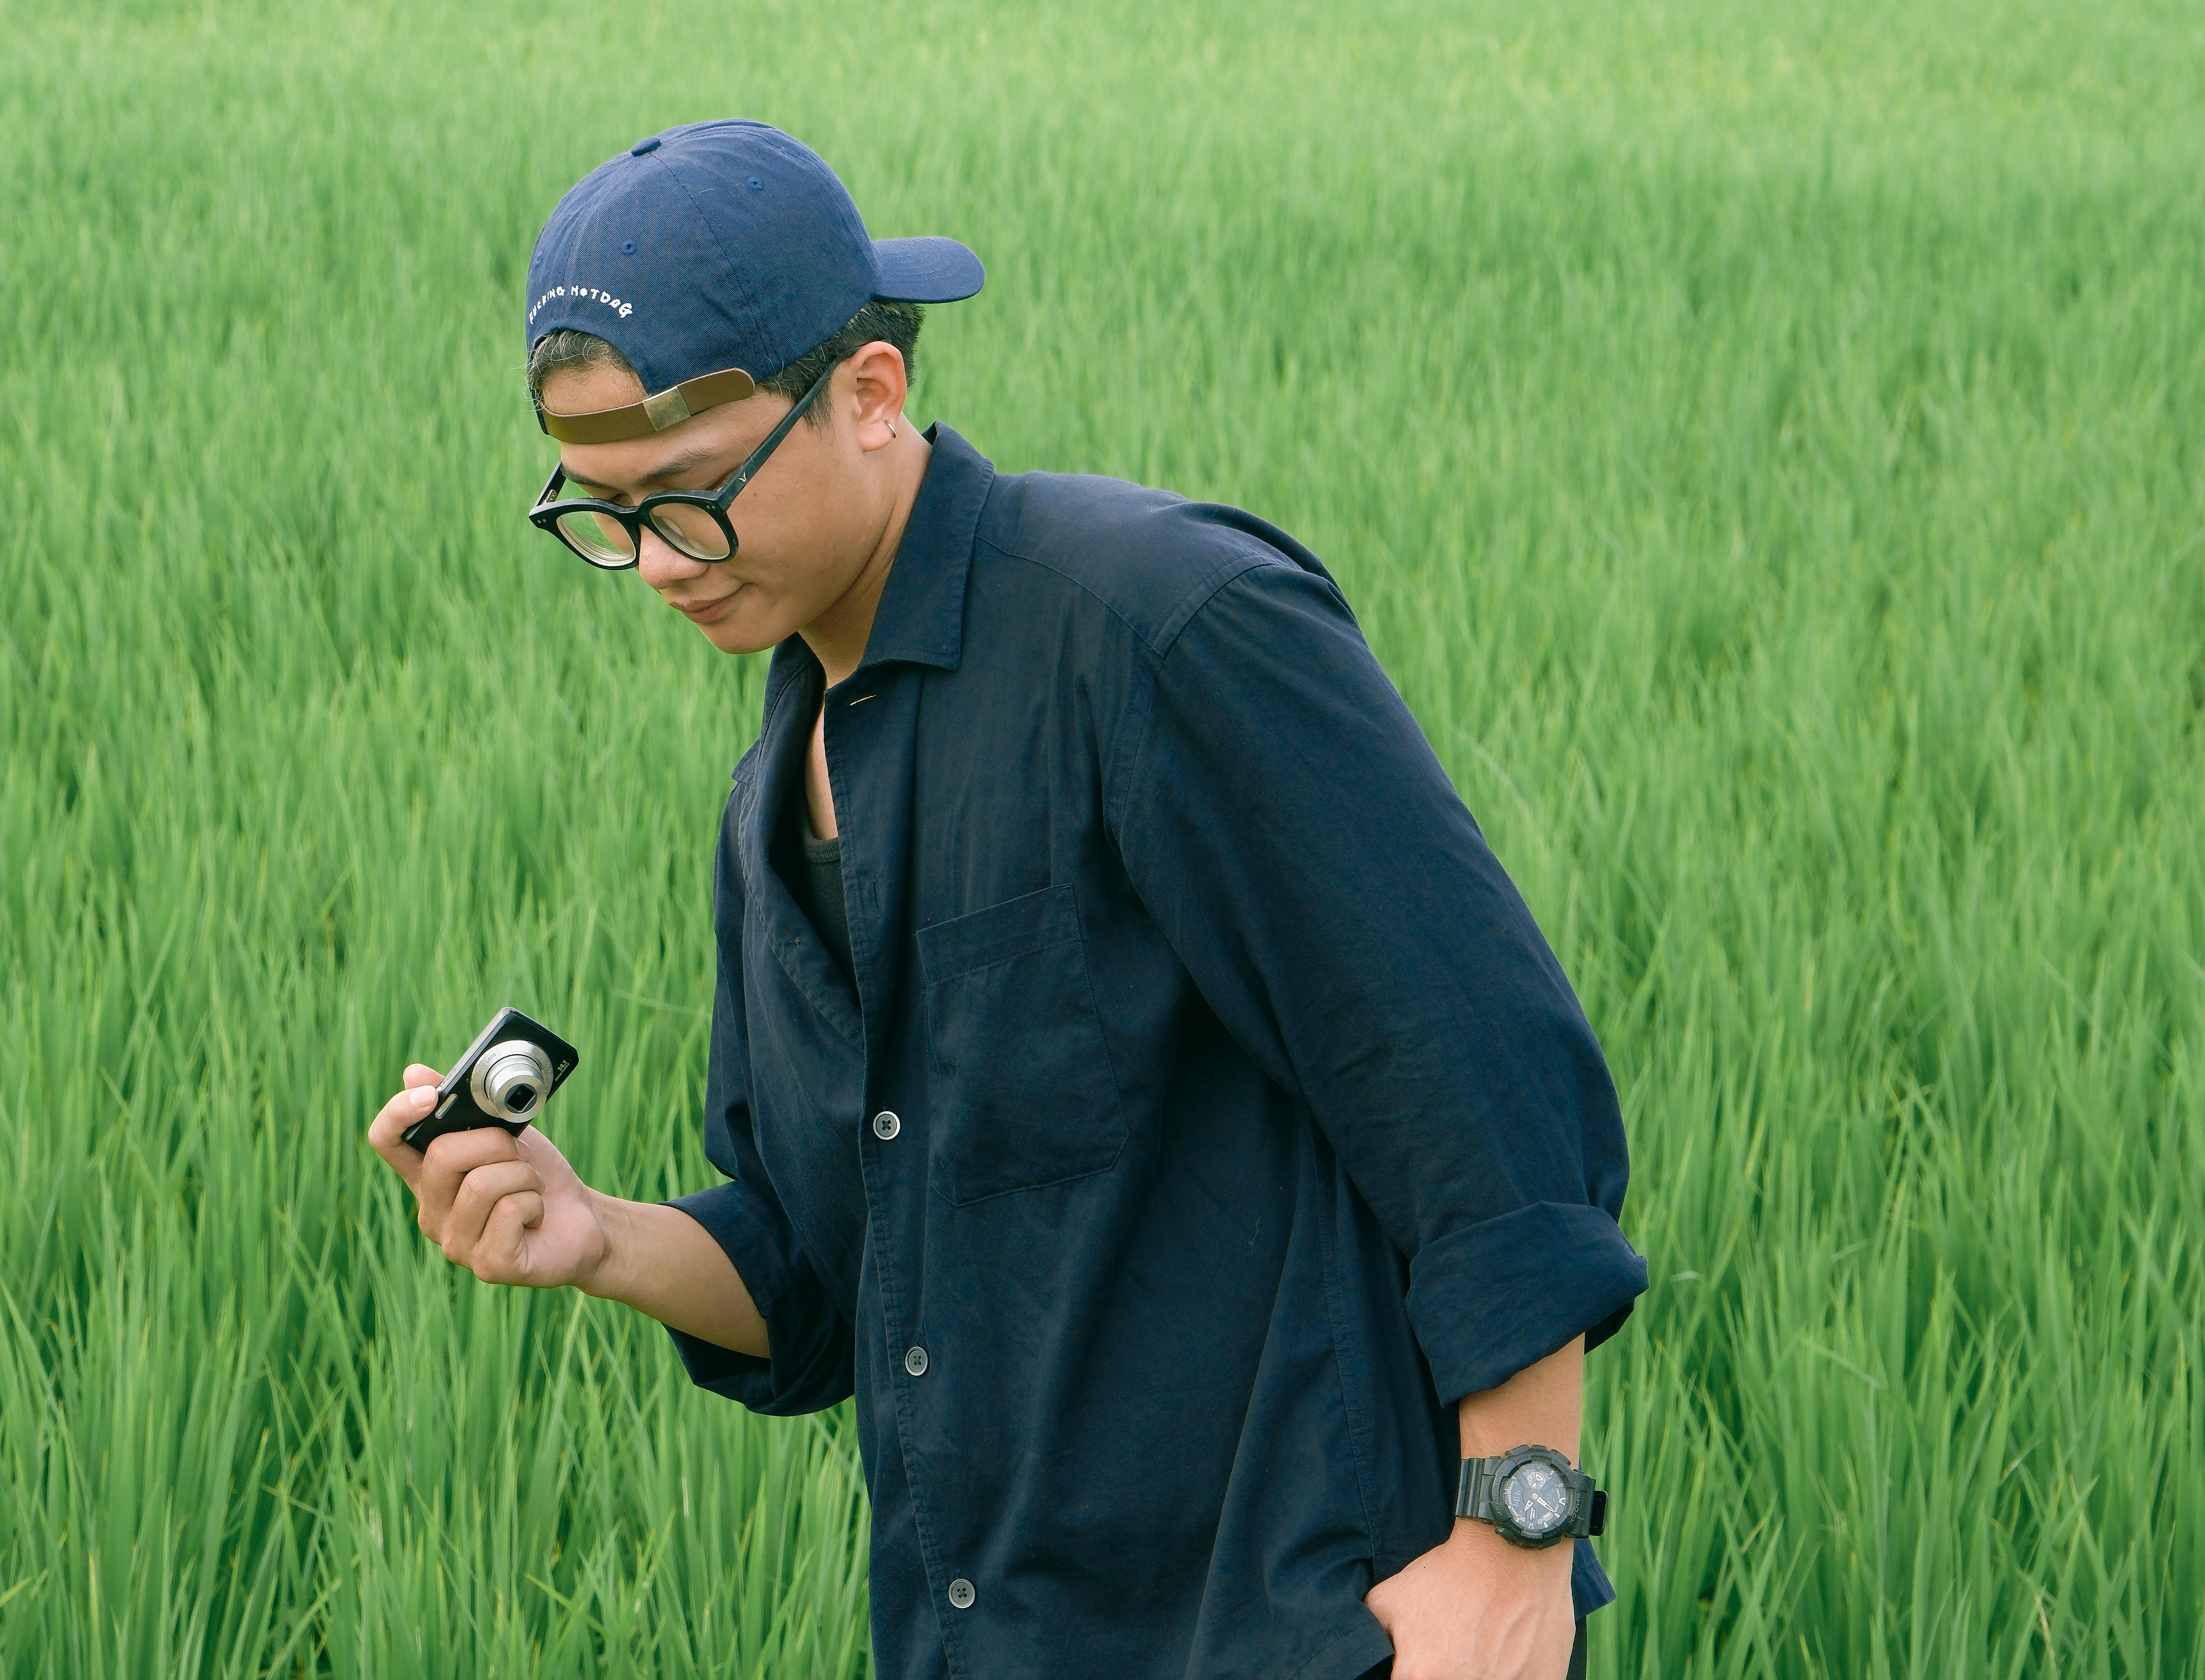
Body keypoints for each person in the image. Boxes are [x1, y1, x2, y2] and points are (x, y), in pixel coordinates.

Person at [366, 119, 1647, 1680]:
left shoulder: (1158, 627)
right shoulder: (780, 787)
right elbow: (832, 1284)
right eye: (603, 512)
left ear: (871, 396)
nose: (653, 566)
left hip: (1312, 1626)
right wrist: (595, 1235)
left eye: (689, 496)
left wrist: (1516, 1540)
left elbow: (1478, 1079)